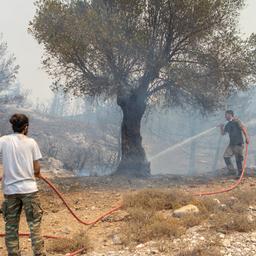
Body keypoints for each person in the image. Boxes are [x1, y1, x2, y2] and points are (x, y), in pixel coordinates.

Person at [0, 113, 45, 256]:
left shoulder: (3, 141)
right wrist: (36, 173)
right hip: (29, 190)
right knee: (34, 225)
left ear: (13, 126)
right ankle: (39, 254)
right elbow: (37, 169)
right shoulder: (31, 142)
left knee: (11, 226)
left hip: (10, 191)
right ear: (26, 127)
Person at [220, 110, 249, 178]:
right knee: (226, 156)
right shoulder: (227, 124)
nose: (225, 116)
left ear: (230, 115)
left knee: (238, 159)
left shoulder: (237, 121)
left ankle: (240, 173)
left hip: (238, 143)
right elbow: (223, 133)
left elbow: (243, 128)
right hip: (231, 144)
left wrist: (247, 137)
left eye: (226, 115)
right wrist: (221, 127)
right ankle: (232, 171)